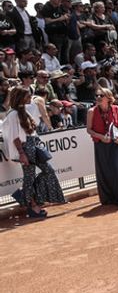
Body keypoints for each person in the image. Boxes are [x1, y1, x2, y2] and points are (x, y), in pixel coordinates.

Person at [4, 86, 65, 219]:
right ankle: (32, 206)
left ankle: (25, 195)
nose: (30, 98)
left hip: (34, 146)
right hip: (25, 148)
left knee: (48, 171)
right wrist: (21, 153)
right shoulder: (14, 114)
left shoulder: (24, 111)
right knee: (29, 177)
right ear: (20, 97)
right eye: (27, 96)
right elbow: (15, 136)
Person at [87, 86, 118, 209]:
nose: (98, 97)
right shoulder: (91, 111)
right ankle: (109, 199)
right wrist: (101, 137)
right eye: (96, 95)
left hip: (117, 143)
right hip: (101, 145)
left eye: (101, 96)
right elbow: (89, 129)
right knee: (105, 172)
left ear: (108, 98)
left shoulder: (116, 108)